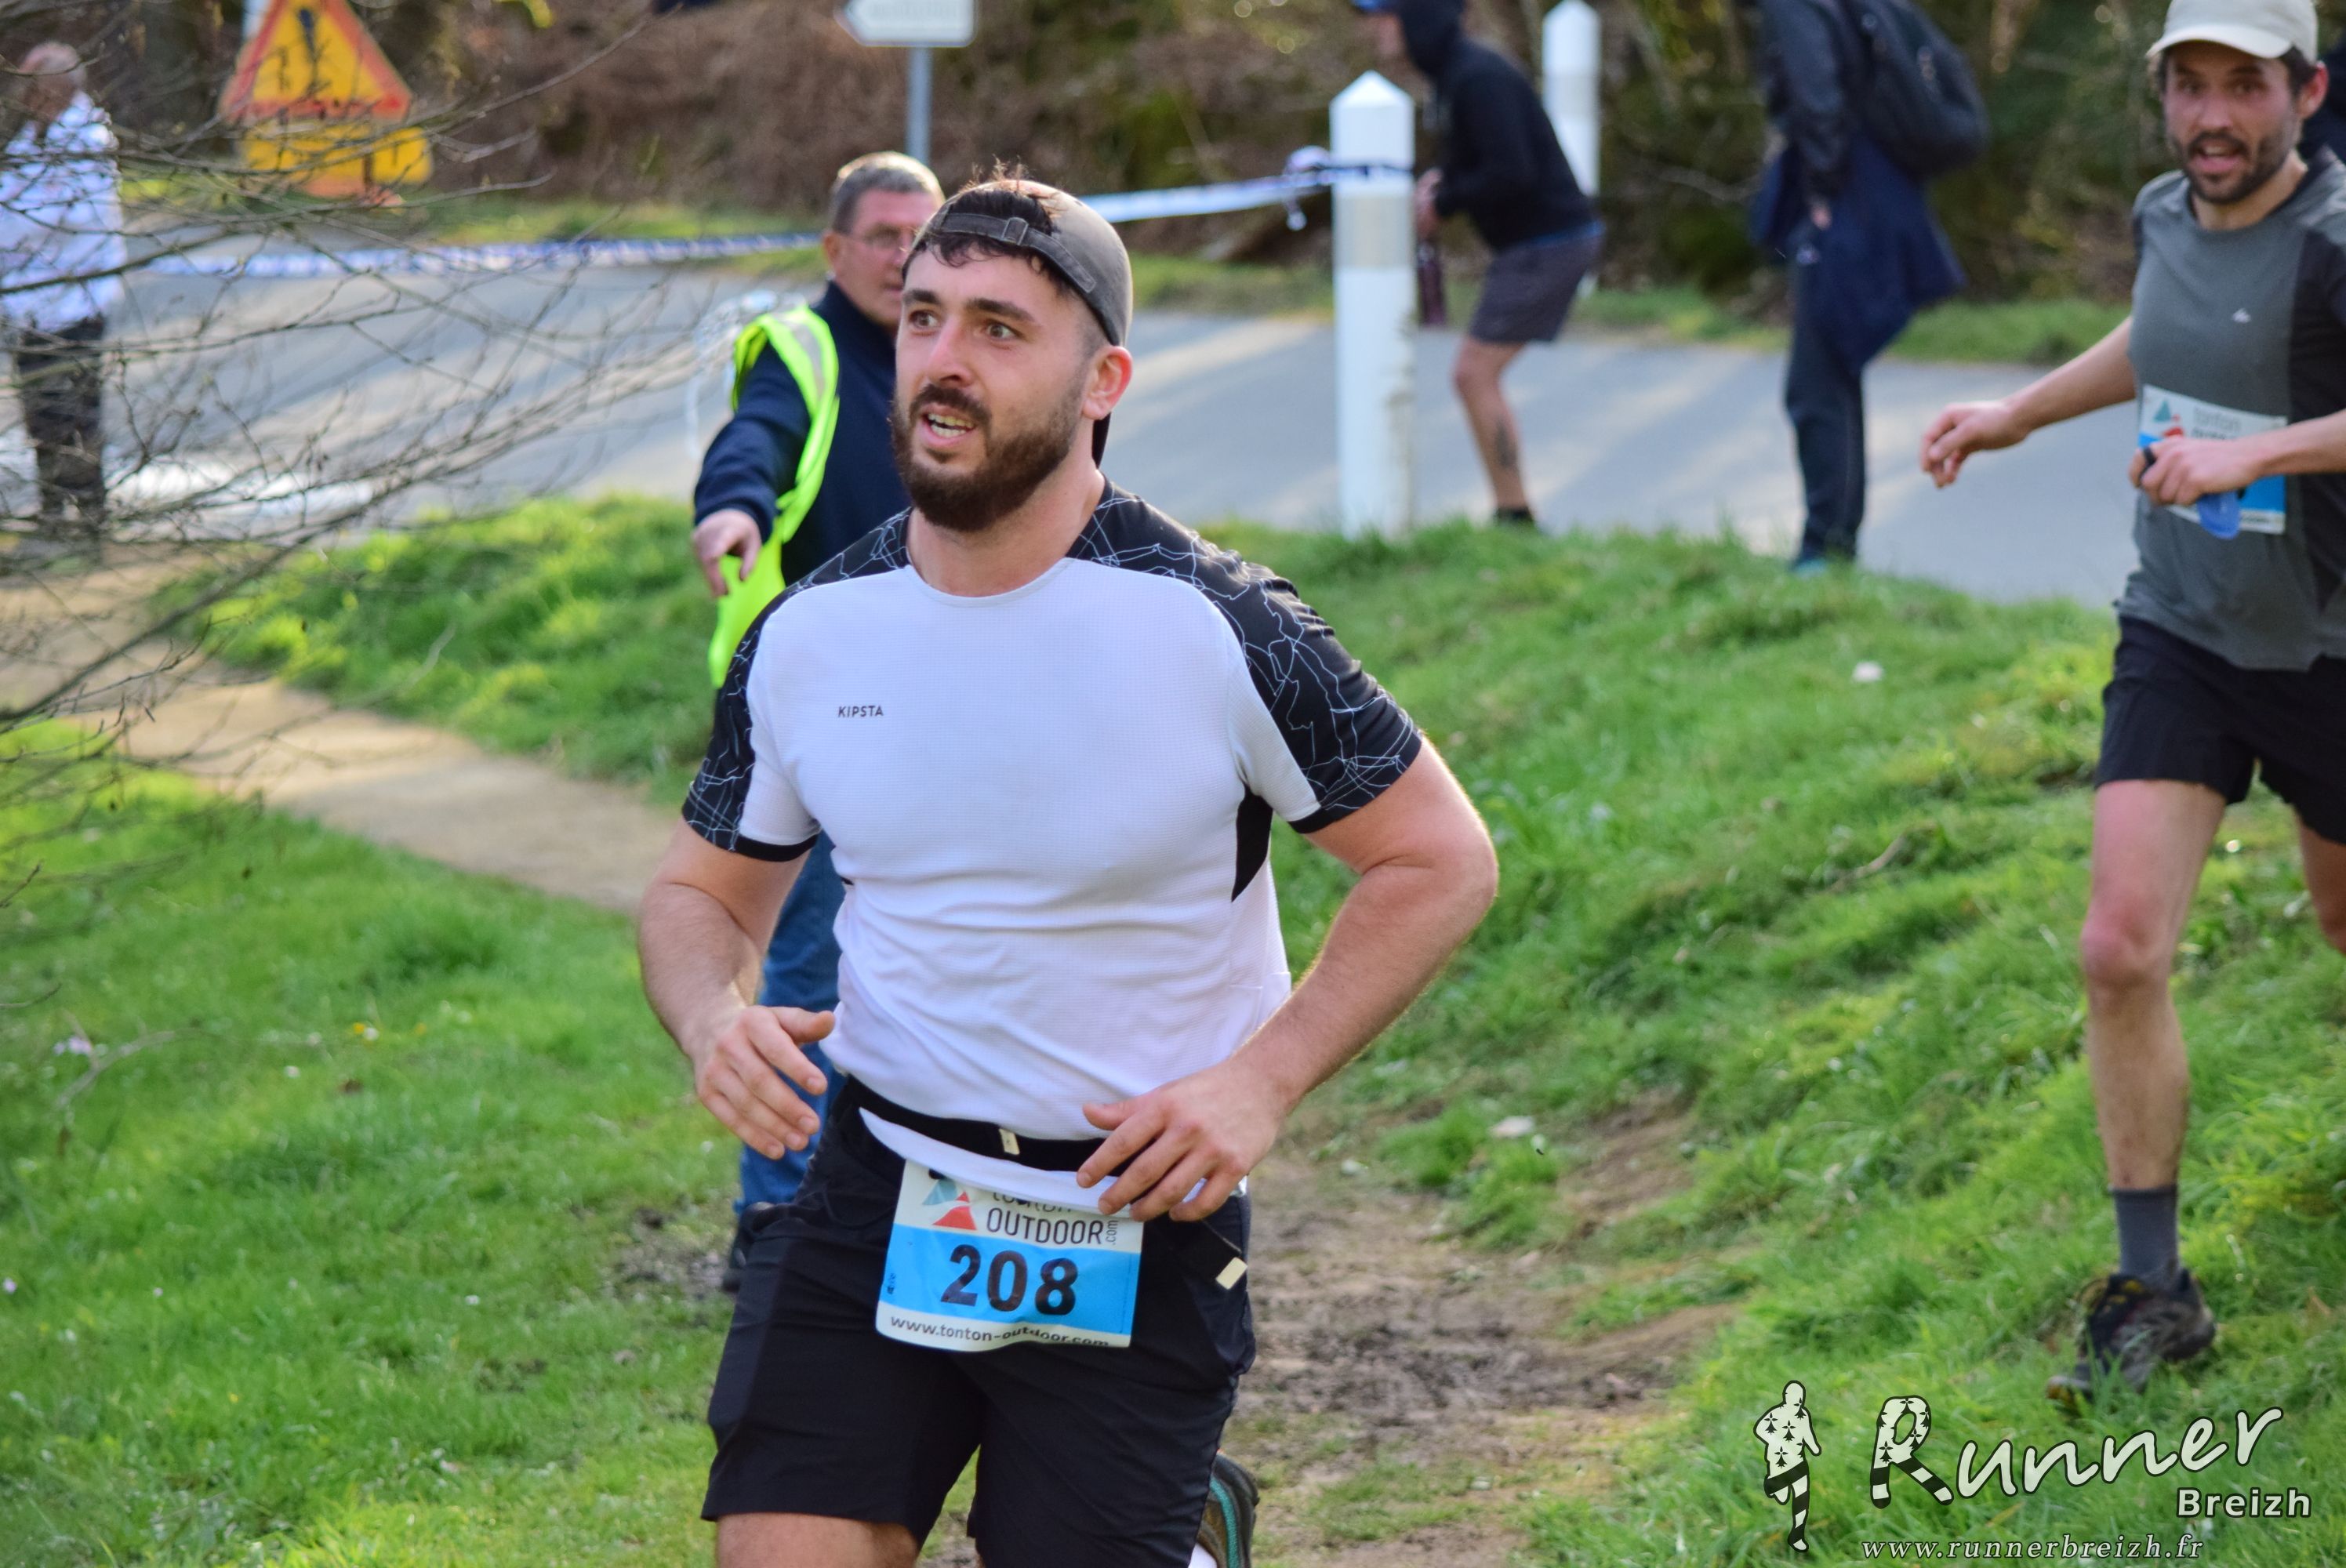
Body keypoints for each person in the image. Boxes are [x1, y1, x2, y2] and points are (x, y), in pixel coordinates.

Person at [637, 173, 1498, 1566]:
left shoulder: (1219, 625)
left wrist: (1259, 1081)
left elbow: (1437, 858)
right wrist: (709, 1018)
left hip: (1129, 1216)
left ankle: (1189, 1533)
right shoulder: (810, 632)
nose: (944, 359)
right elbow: (697, 896)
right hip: (880, 1190)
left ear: (1103, 381)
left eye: (998, 328)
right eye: (924, 317)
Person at [1918, 0, 2346, 1404]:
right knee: (2116, 947)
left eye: (2245, 87)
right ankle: (2155, 1289)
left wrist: (2254, 458)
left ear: (2305, 94)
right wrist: (2014, 414)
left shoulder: (2336, 239)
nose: (2212, 116)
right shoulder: (2166, 213)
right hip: (2182, 630)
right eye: (2189, 85)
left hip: (2330, 649)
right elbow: (2159, 337)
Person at [689, 151, 940, 1283]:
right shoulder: (804, 347)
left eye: (921, 236)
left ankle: (899, 1209)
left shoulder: (947, 353)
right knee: (811, 968)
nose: (903, 257)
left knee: (933, 964)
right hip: (817, 721)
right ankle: (777, 1218)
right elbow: (756, 435)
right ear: (835, 249)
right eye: (882, 236)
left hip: (944, 713)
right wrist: (732, 508)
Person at [1356, 0, 1602, 531]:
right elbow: (1481, 157)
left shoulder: (1478, 77)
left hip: (1549, 243)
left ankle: (1514, 514)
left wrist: (1444, 202)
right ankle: (1512, 510)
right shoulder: (1455, 75)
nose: (1374, 27)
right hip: (1536, 243)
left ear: (1419, 18)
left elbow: (1511, 170)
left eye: (1385, 15)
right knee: (1474, 374)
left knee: (1473, 374)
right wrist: (1442, 182)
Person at [1745, 0, 1959, 573]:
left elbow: (1817, 95)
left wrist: (1821, 192)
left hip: (1845, 197)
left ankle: (1824, 550)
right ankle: (1834, 544)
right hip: (1877, 187)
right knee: (1834, 369)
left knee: (1816, 384)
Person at [0, 42, 124, 566]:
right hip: (31, 304)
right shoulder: (33, 138)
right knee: (40, 413)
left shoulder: (86, 141)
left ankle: (90, 515)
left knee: (75, 412)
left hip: (74, 303)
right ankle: (53, 508)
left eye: (33, 85)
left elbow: (53, 217)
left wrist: (17, 227)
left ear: (53, 89)